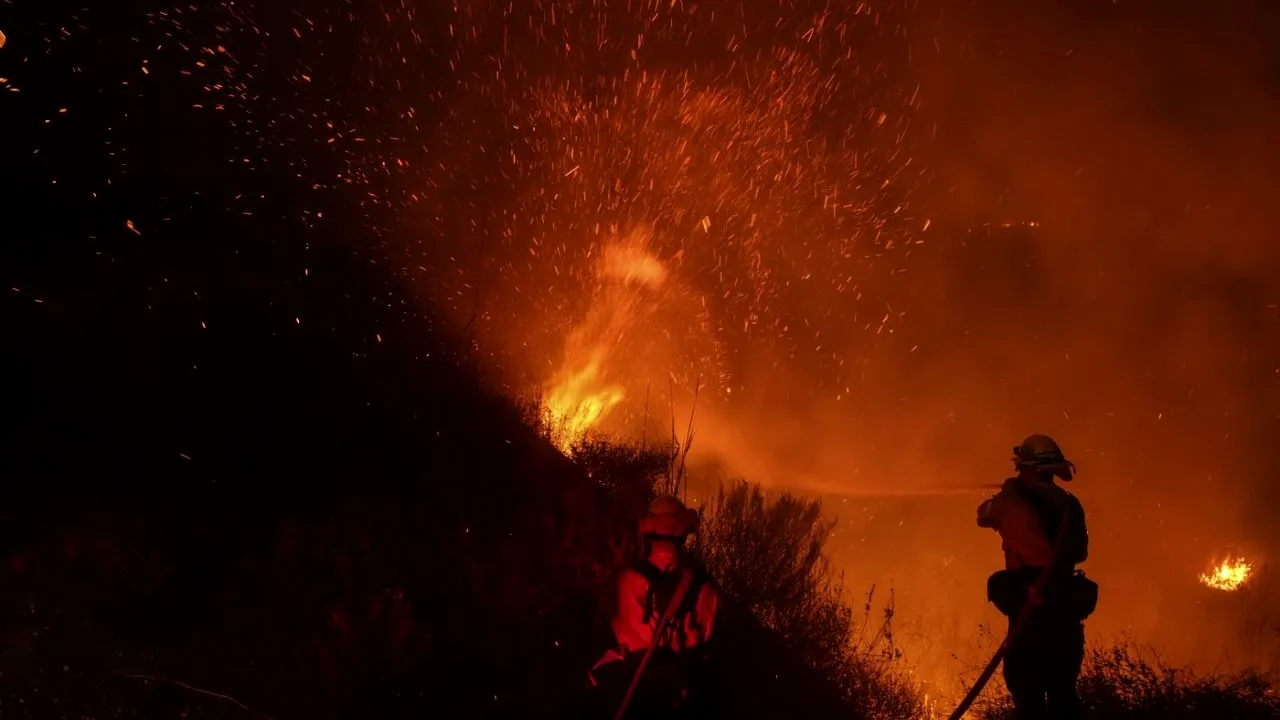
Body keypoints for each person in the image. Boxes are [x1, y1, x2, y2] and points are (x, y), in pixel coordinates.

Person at [977, 434, 1097, 720]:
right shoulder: (1070, 505)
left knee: (1028, 701)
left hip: (1028, 620)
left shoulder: (1011, 503)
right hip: (1064, 621)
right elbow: (1079, 552)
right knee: (1064, 696)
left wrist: (1008, 492)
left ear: (1030, 468)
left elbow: (984, 515)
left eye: (1021, 468)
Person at [587, 495, 721, 718]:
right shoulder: (705, 588)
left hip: (634, 691)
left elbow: (629, 638)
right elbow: (704, 639)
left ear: (648, 534)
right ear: (684, 536)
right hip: (680, 695)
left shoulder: (629, 580)